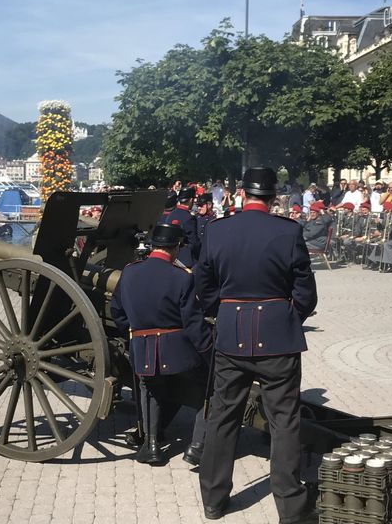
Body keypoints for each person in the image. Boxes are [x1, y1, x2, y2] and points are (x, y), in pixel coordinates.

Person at [196, 167, 318, 523]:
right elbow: (305, 290)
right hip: (278, 337)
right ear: (273, 197)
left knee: (222, 417)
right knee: (284, 421)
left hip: (232, 334)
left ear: (242, 194)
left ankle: (214, 501)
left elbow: (204, 285)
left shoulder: (217, 230)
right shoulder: (288, 231)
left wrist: (223, 310)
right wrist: (289, 315)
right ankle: (290, 507)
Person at [110, 223, 213, 465]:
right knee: (209, 389)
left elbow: (118, 312)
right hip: (179, 352)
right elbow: (193, 322)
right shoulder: (181, 277)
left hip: (142, 349)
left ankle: (152, 444)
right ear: (176, 247)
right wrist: (208, 351)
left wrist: (136, 336)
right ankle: (197, 447)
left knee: (150, 389)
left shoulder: (129, 272)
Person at [162, 186, 200, 267]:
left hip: (171, 257)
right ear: (191, 200)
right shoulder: (189, 218)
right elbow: (194, 242)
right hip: (185, 259)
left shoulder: (171, 215)